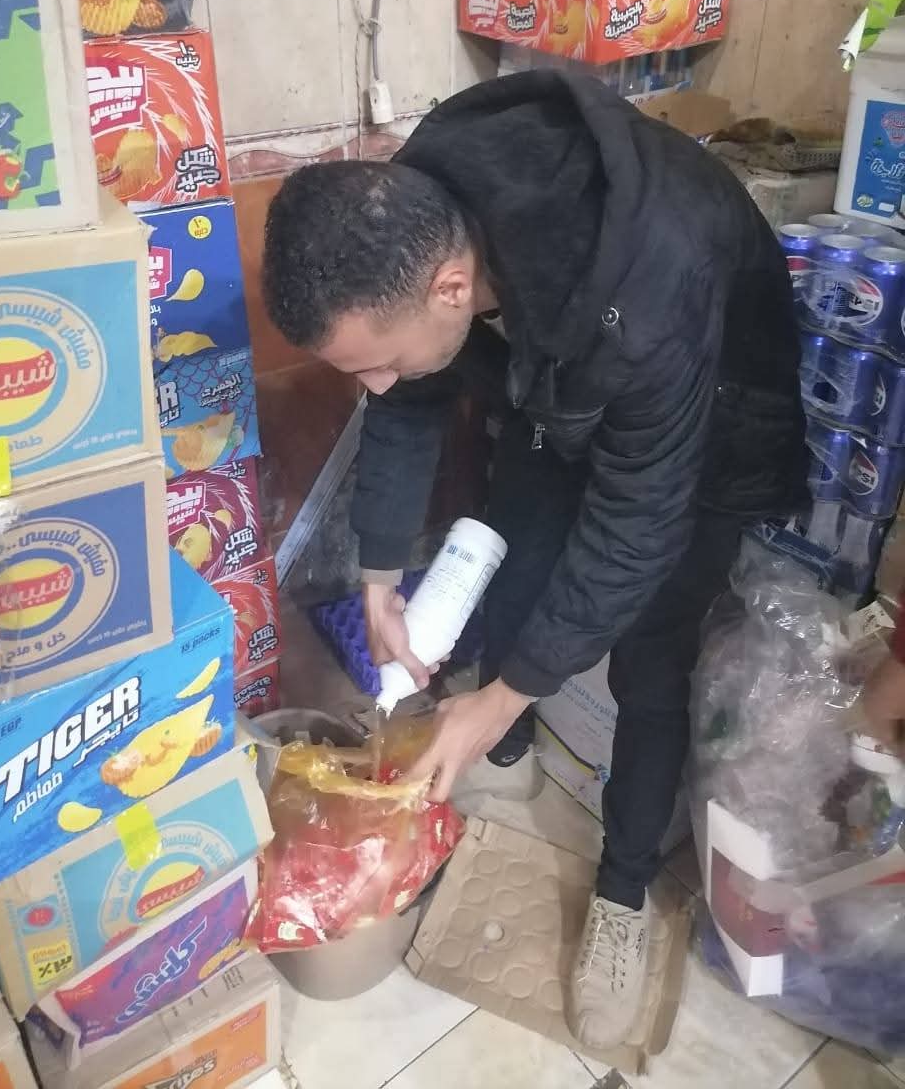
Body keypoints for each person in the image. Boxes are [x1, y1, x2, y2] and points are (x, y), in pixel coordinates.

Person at [263, 71, 808, 1049]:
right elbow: (404, 397)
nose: (373, 385)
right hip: (566, 385)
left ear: (453, 289)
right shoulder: (420, 216)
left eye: (378, 358)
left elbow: (637, 524)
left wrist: (506, 692)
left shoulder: (651, 278)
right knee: (515, 556)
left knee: (650, 655)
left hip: (711, 419)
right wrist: (381, 577)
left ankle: (623, 891)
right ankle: (499, 747)